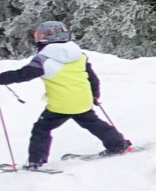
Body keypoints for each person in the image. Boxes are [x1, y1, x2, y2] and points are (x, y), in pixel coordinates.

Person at [0, 20, 134, 168]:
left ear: (47, 37)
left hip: (60, 105)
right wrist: (95, 94)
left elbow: (23, 75)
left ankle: (35, 161)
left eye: (40, 35)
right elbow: (91, 77)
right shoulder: (79, 55)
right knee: (94, 123)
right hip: (83, 100)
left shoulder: (44, 59)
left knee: (42, 129)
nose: (38, 38)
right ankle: (118, 144)